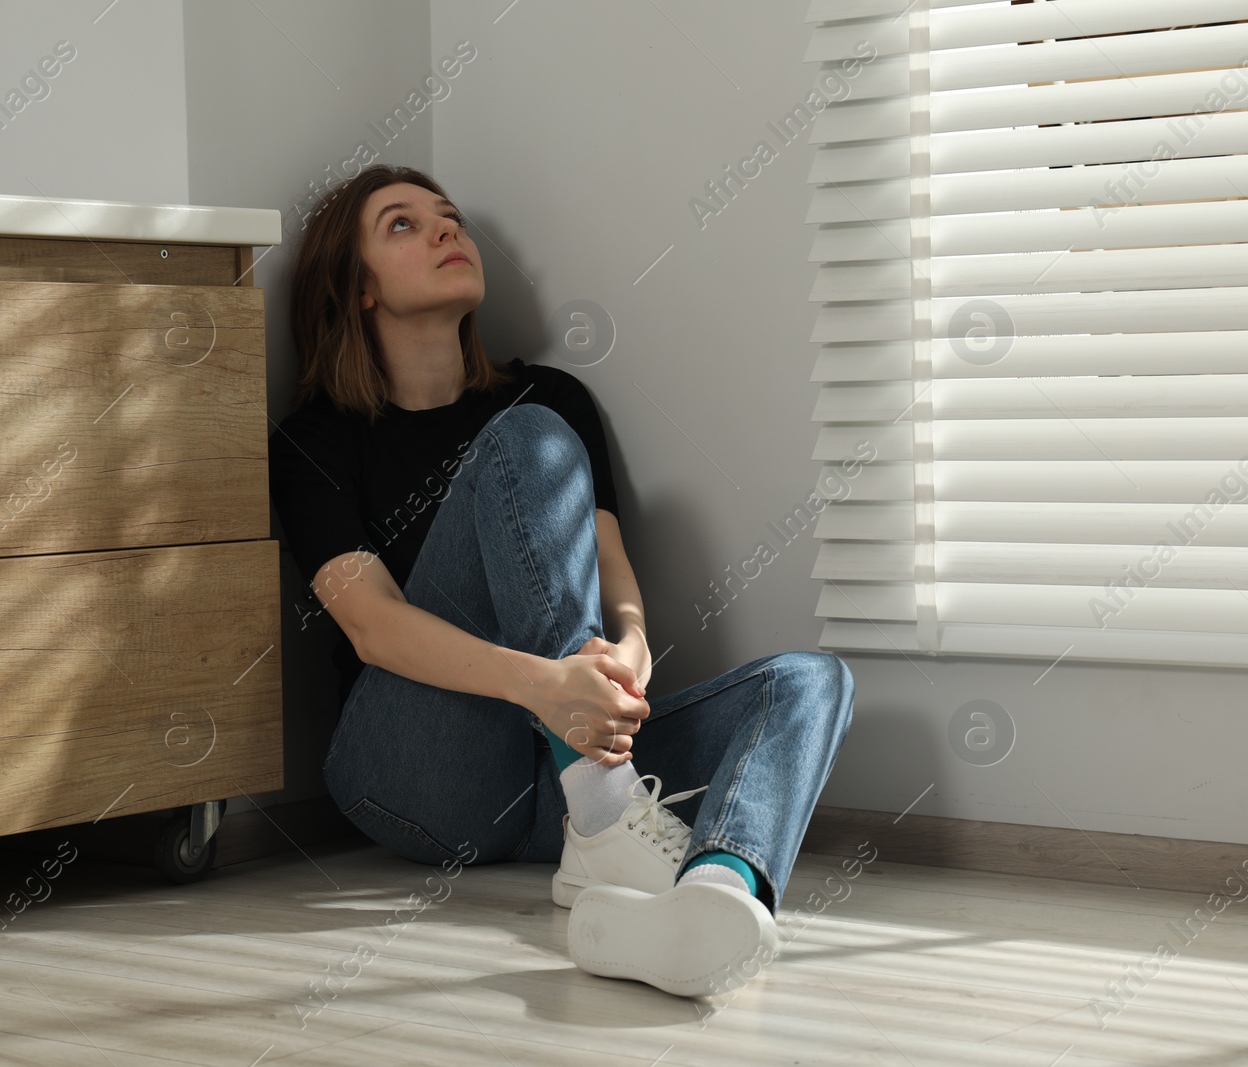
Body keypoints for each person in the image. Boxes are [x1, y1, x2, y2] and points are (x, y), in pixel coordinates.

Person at [267, 164, 855, 999]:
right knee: (525, 440)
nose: (446, 231)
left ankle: (713, 895)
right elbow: (372, 626)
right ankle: (608, 803)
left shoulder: (555, 394)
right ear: (356, 288)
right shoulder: (315, 440)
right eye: (403, 225)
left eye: (450, 217)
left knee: (811, 681)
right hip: (414, 769)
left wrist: (630, 654)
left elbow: (614, 582)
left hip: (555, 792)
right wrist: (550, 689)